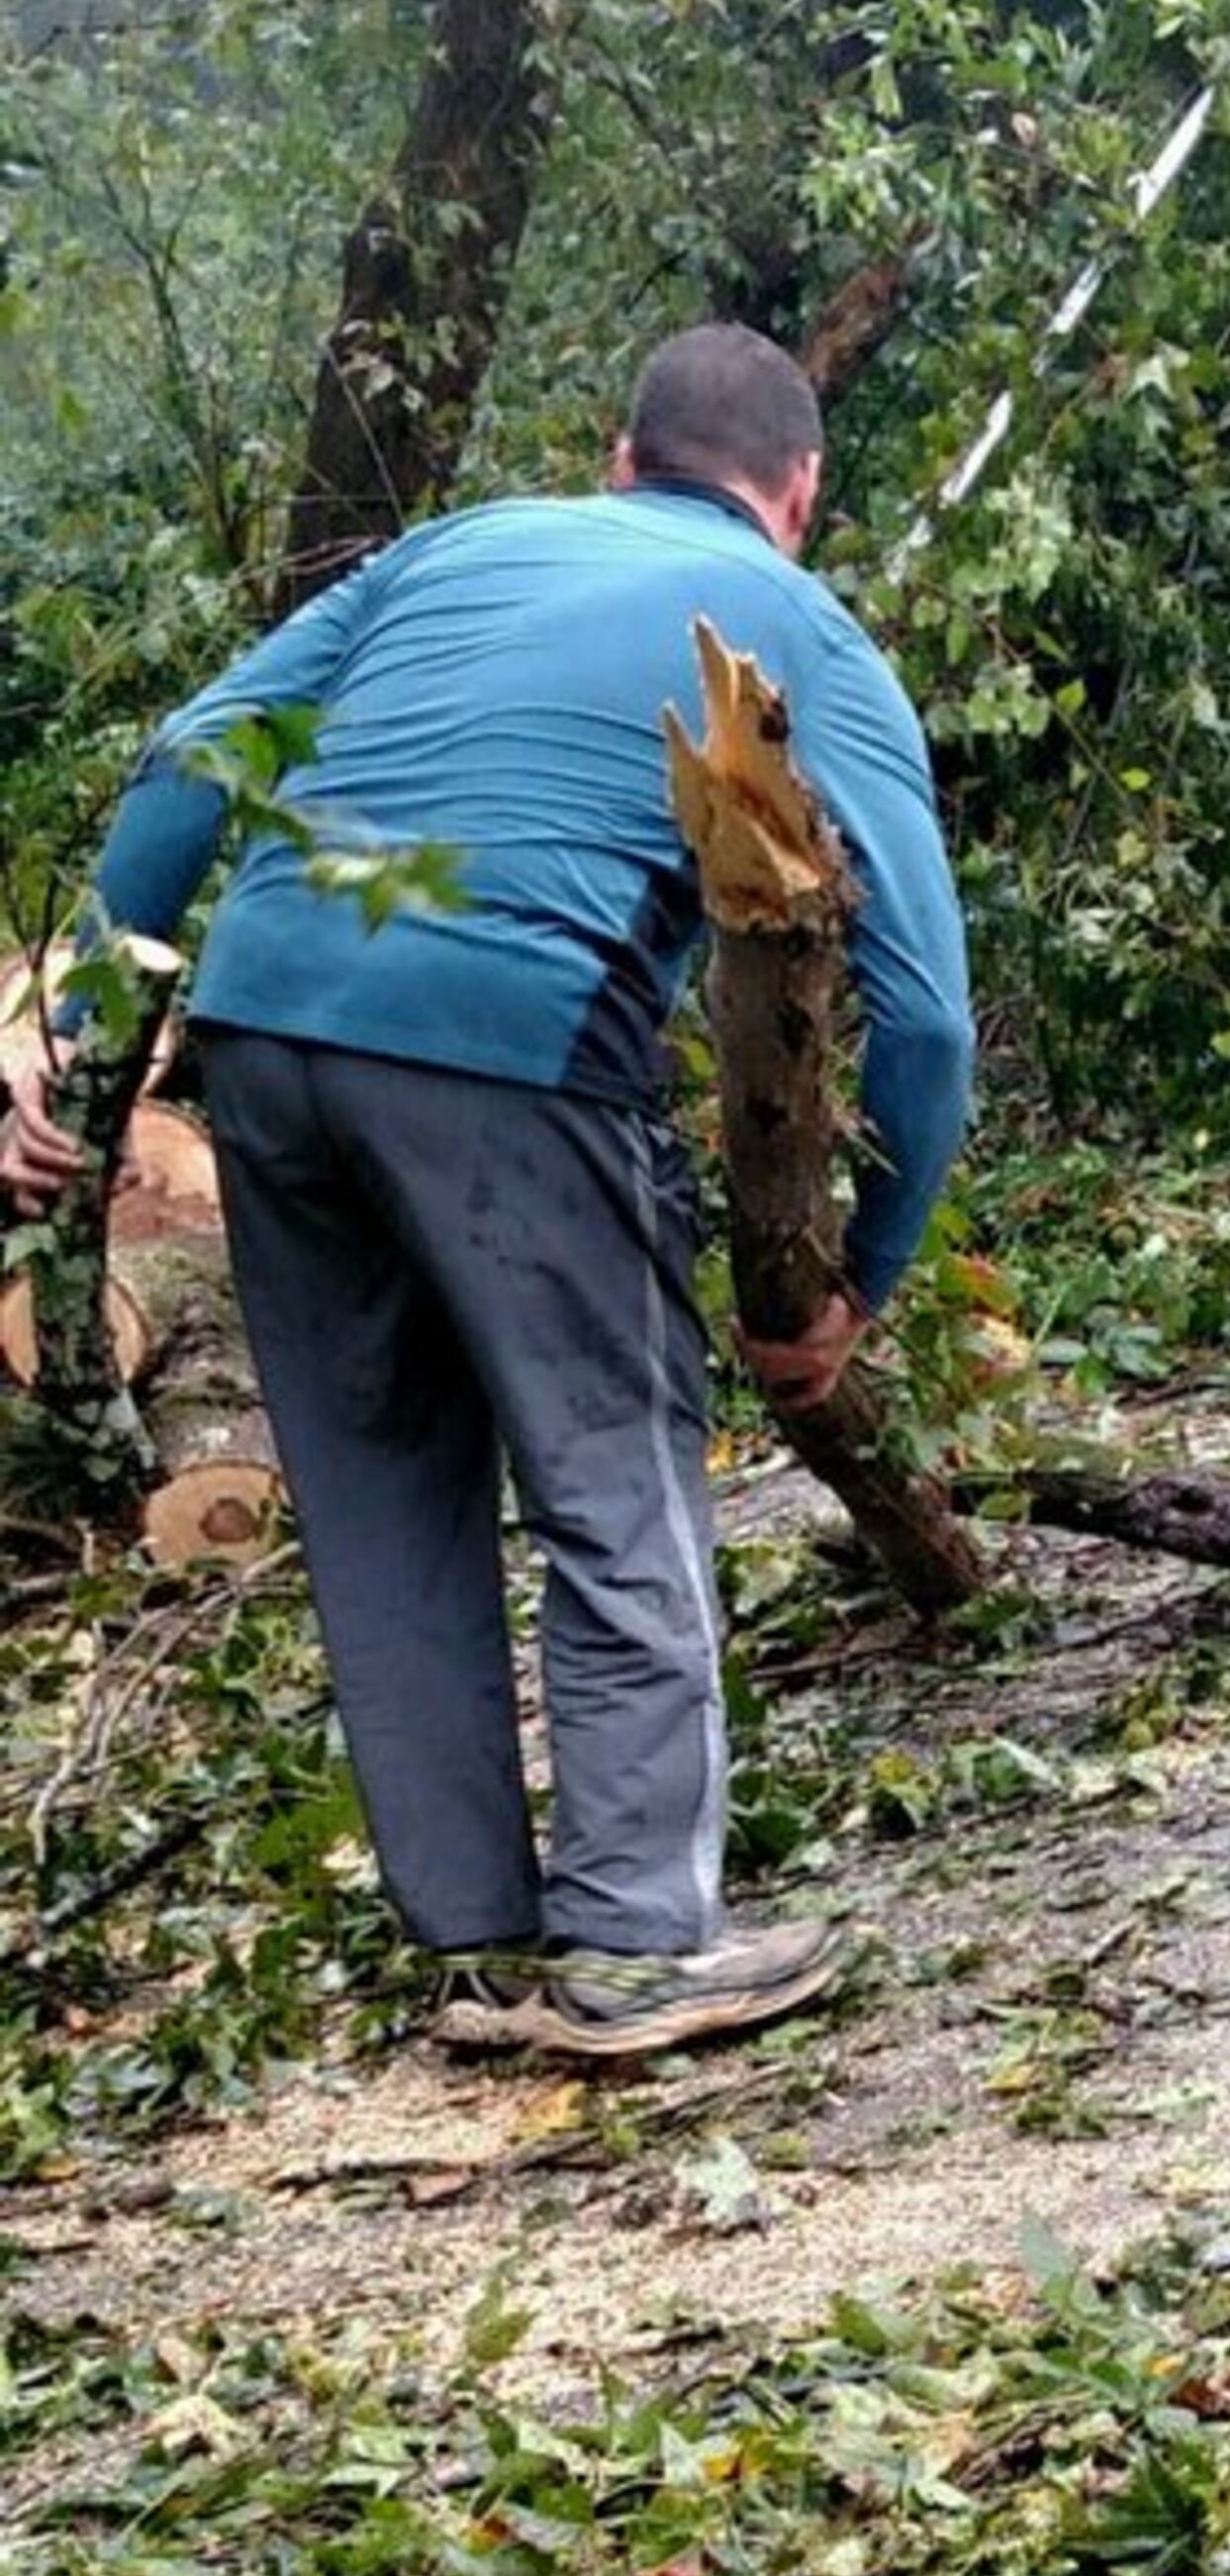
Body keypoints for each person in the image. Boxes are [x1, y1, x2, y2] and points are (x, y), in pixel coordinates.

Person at [0, 322, 973, 2062]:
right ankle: (634, 1943)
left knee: (380, 1500)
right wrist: (849, 1286)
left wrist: (84, 1028)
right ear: (800, 494)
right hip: (516, 1044)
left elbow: (182, 760)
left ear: (616, 454)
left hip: (266, 1028)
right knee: (617, 1479)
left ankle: (475, 1939)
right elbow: (927, 1012)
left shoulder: (449, 549)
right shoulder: (804, 629)